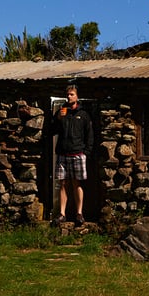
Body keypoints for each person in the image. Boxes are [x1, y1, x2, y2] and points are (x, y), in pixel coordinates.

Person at [51, 84, 93, 226]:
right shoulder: (62, 112)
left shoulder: (83, 114)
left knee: (77, 183)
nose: (69, 97)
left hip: (78, 153)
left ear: (77, 96)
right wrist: (58, 118)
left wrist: (86, 152)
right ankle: (62, 214)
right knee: (62, 183)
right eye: (67, 95)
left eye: (72, 94)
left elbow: (89, 135)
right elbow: (52, 131)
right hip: (63, 153)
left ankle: (79, 213)